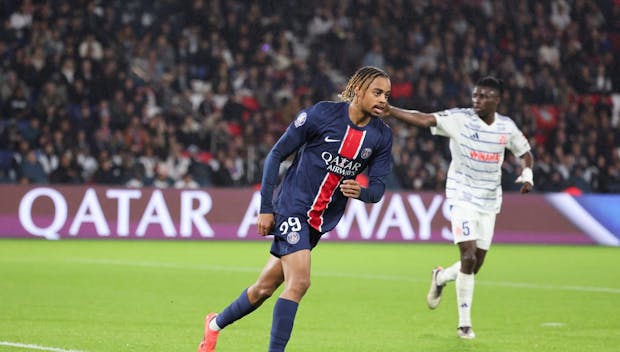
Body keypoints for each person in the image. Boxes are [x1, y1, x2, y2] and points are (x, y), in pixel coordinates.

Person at [197, 66, 394, 352]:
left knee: (263, 289)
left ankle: (214, 325)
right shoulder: (321, 115)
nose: (383, 100)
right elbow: (276, 154)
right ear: (358, 90)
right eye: (377, 92)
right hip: (292, 207)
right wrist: (266, 208)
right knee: (300, 282)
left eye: (387, 95)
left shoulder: (381, 137)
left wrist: (361, 192)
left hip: (318, 222)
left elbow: (377, 189)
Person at [387, 76, 534, 339]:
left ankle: (440, 277)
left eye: (484, 96)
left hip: (490, 200)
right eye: (475, 95)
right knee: (467, 257)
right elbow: (424, 119)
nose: (477, 100)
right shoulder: (459, 119)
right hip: (462, 195)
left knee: (475, 264)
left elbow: (525, 153)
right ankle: (464, 324)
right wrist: (390, 110)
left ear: (497, 100)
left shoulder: (506, 127)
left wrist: (528, 173)